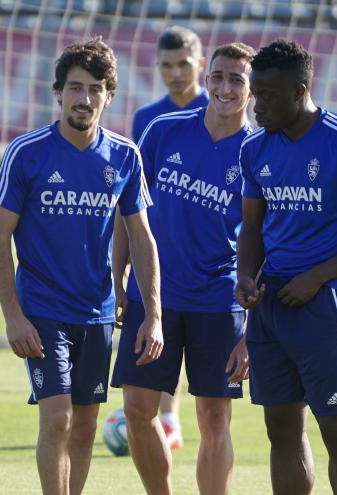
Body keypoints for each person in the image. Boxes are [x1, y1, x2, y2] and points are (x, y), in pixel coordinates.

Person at [0, 37, 162, 495]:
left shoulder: (125, 155)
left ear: (108, 96)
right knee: (59, 417)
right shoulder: (27, 153)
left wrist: (154, 316)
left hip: (98, 310)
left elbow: (142, 240)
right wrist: (12, 315)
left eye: (95, 88)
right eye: (75, 87)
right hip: (42, 308)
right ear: (58, 92)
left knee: (85, 426)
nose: (84, 98)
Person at [235, 40, 337, 495]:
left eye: (266, 94)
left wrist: (317, 277)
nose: (256, 104)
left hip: (328, 304)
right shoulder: (254, 149)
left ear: (300, 91)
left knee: (336, 430)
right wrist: (245, 275)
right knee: (281, 431)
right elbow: (252, 224)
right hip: (271, 304)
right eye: (254, 92)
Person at [111, 42, 256, 495]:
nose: (226, 87)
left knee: (214, 418)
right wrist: (116, 277)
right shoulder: (162, 131)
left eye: (237, 79)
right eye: (219, 76)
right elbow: (128, 215)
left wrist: (253, 330)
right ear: (205, 78)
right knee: (137, 410)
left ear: (251, 90)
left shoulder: (259, 152)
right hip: (152, 296)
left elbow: (268, 243)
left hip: (219, 301)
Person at [124, 25, 208, 449]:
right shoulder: (147, 118)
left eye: (183, 64)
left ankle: (172, 413)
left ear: (200, 64)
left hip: (207, 258)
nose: (176, 73)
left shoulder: (224, 108)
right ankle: (162, 414)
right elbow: (136, 193)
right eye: (167, 66)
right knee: (158, 334)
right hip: (158, 248)